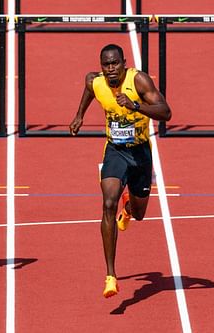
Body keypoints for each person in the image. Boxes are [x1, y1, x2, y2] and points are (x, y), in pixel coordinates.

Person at [69, 44, 171, 298]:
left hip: (140, 153)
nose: (111, 69)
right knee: (107, 203)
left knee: (139, 214)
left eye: (115, 63)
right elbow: (89, 89)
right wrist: (79, 115)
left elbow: (166, 112)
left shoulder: (138, 81)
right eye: (106, 64)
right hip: (115, 151)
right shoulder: (96, 81)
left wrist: (136, 106)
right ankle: (110, 275)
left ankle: (128, 208)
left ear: (124, 63)